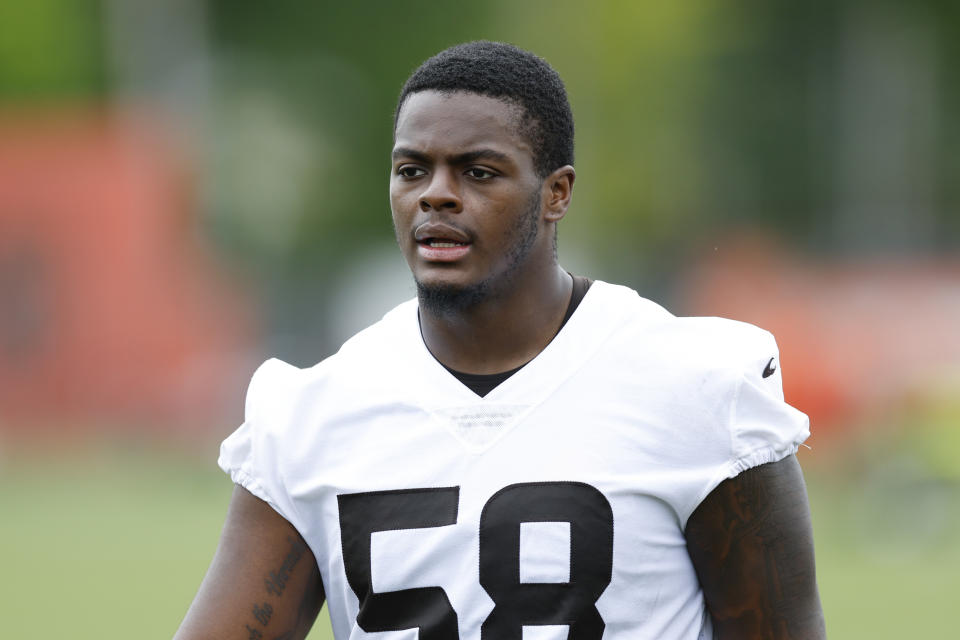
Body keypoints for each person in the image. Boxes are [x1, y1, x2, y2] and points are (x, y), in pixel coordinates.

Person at [175, 41, 825, 640]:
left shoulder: (698, 389)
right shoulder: (310, 416)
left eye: (478, 172)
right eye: (411, 170)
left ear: (556, 193)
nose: (436, 195)